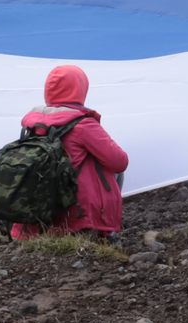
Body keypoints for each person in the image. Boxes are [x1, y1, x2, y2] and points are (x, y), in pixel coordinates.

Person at [9, 65, 130, 242]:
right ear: (80, 90)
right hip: (74, 218)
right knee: (115, 169)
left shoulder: (32, 124)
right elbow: (120, 162)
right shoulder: (82, 124)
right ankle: (103, 229)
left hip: (32, 216)